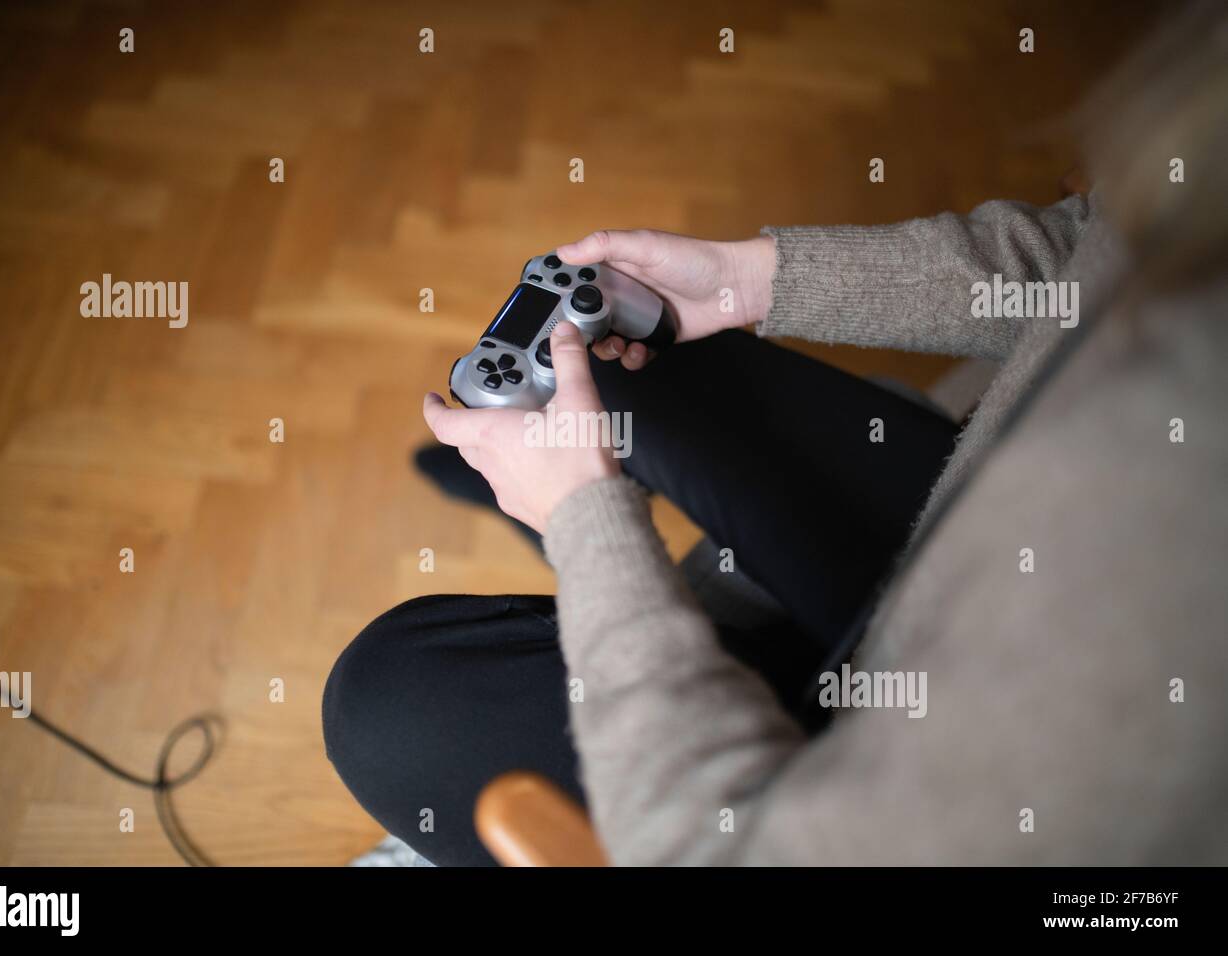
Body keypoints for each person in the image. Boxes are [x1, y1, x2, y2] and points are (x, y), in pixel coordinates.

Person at [322, 3, 1228, 866]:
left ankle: (552, 507)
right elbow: (1084, 255)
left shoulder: (1166, 649)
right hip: (962, 536)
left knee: (385, 703)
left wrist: (585, 521)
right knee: (635, 351)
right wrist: (754, 279)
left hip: (913, 744)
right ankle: (544, 493)